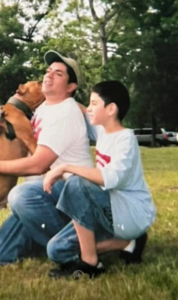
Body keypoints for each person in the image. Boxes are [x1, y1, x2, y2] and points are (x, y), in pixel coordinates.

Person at [0, 50, 93, 265]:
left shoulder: (65, 112)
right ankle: (52, 238)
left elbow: (38, 164)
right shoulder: (42, 108)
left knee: (20, 196)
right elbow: (19, 126)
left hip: (71, 192)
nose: (48, 75)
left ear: (70, 87)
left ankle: (74, 248)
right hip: (45, 194)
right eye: (48, 71)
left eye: (58, 74)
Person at [43, 80, 156, 279]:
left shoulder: (126, 140)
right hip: (107, 208)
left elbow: (110, 178)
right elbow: (77, 108)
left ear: (111, 109)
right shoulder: (102, 130)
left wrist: (65, 167)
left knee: (76, 182)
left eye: (94, 104)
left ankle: (90, 263)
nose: (89, 109)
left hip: (130, 213)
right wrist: (62, 93)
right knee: (56, 250)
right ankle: (129, 243)